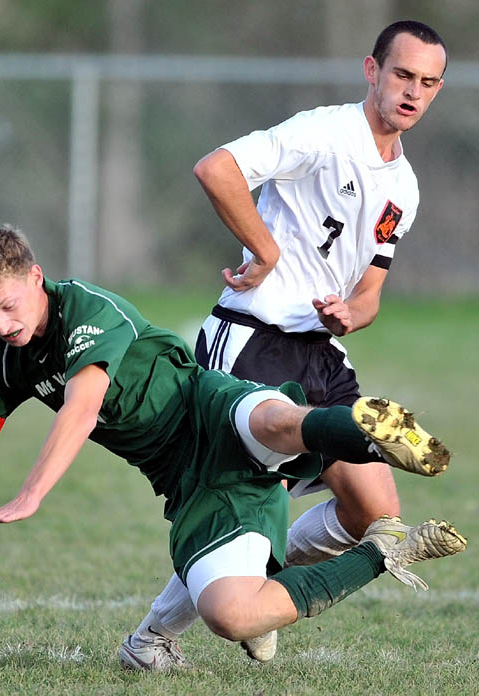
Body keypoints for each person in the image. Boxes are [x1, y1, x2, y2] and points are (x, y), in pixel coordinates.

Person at [0, 224, 464, 670]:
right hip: (186, 482)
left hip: (206, 409)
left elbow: (83, 406)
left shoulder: (86, 307)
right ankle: (387, 553)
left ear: (36, 279)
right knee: (233, 615)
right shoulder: (6, 358)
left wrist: (31, 493)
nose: (2, 326)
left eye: (7, 306)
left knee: (275, 418)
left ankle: (366, 427)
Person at [119, 20, 451, 669]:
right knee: (234, 514)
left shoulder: (402, 188)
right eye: (403, 74)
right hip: (252, 344)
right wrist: (266, 251)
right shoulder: (323, 133)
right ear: (372, 71)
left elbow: (371, 291)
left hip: (320, 355)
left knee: (374, 510)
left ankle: (260, 588)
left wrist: (352, 313)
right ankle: (153, 639)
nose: (414, 91)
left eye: (429, 82)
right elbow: (216, 169)